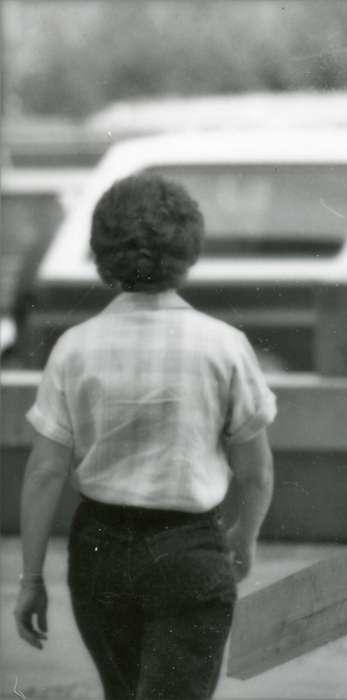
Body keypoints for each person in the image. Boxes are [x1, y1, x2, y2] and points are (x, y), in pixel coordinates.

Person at [13, 173, 276, 700]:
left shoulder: (74, 348)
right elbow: (254, 471)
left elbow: (45, 471)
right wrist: (244, 537)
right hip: (191, 552)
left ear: (102, 254)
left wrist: (31, 578)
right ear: (188, 250)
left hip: (98, 551)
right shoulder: (225, 346)